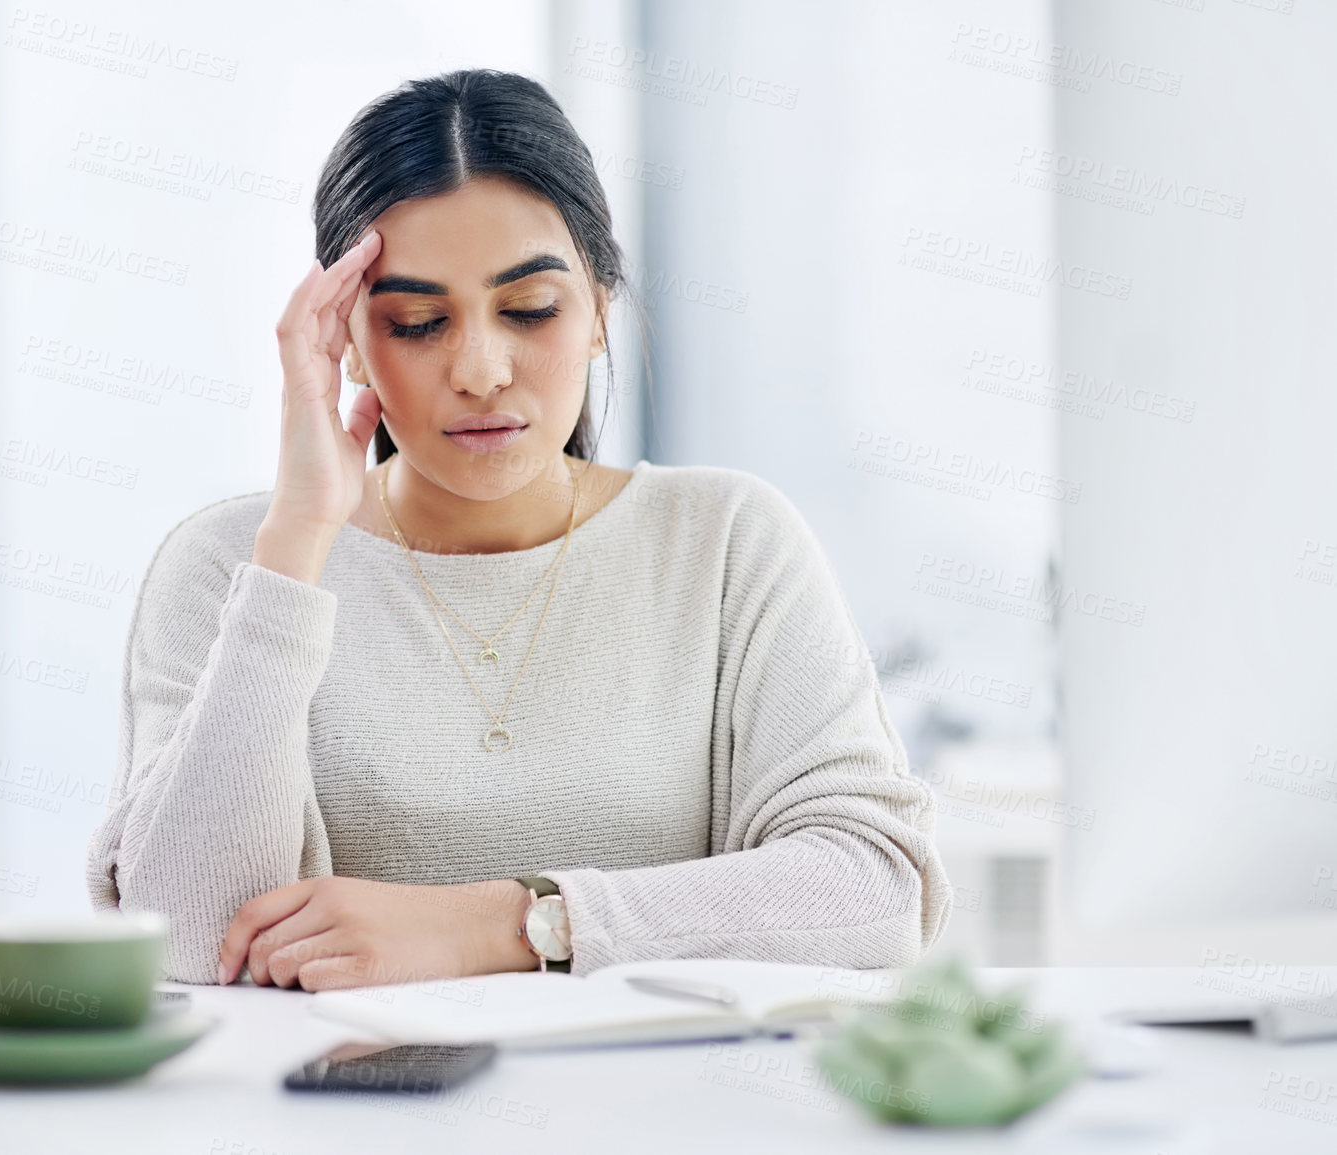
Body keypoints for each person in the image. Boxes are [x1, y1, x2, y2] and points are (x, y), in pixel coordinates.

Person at [85, 68, 950, 989]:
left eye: (529, 309)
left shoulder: (726, 540)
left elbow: (874, 887)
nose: (481, 369)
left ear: (597, 314)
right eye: (417, 322)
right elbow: (185, 938)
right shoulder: (233, 564)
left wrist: (511, 921)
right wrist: (298, 543)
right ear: (347, 339)